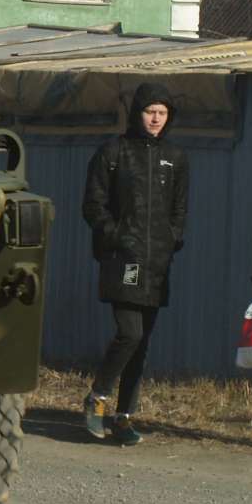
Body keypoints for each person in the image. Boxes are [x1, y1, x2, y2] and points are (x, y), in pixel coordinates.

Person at [80, 80, 189, 444]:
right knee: (130, 333)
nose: (156, 119)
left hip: (157, 260)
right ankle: (97, 400)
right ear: (137, 113)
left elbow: (180, 208)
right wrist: (116, 236)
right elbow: (93, 204)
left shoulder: (175, 157)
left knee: (142, 343)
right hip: (123, 258)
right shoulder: (113, 152)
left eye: (162, 113)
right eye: (150, 112)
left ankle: (124, 416)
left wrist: (171, 238)